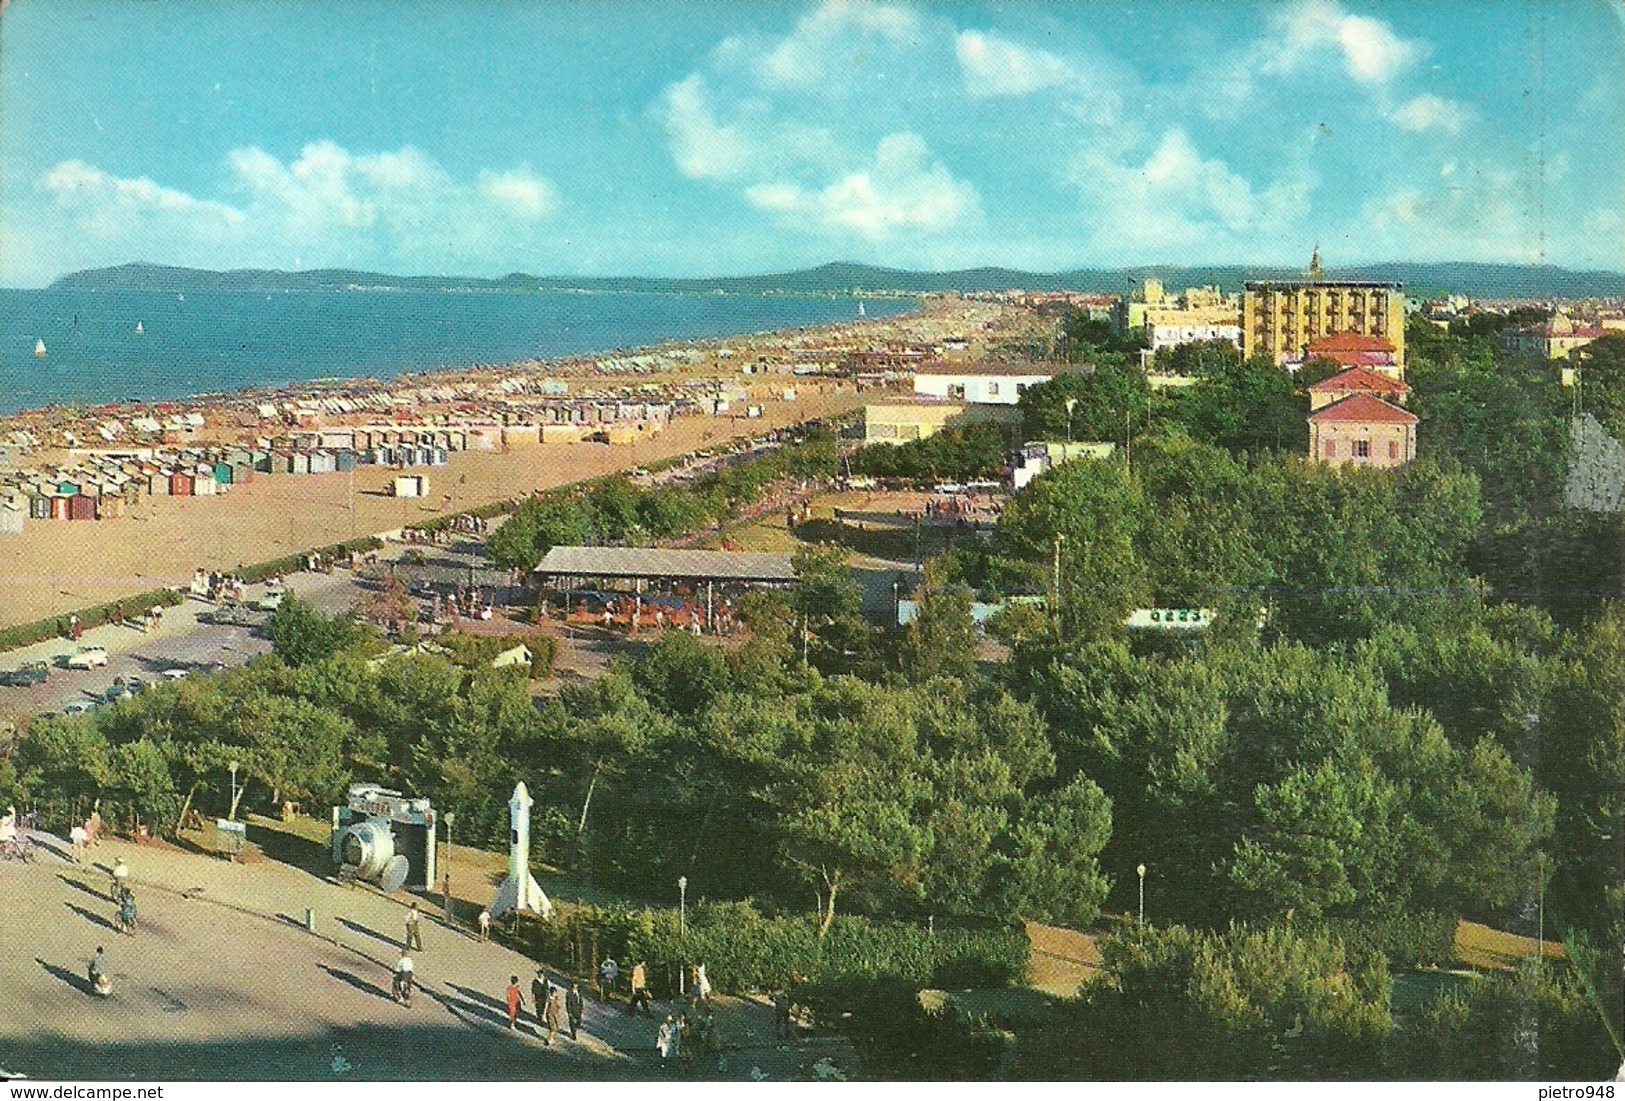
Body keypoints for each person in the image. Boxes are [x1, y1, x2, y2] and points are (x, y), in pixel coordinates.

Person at [531, 970, 552, 1040]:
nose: (541, 975)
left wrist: (548, 997)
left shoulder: (545, 981)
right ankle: (539, 1018)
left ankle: (541, 1018)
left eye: (542, 974)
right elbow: (533, 990)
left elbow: (548, 989)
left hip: (544, 996)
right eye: (540, 974)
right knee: (538, 1008)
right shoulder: (535, 981)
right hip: (538, 996)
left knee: (543, 1008)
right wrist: (533, 997)